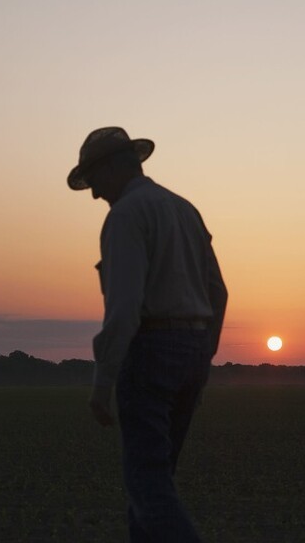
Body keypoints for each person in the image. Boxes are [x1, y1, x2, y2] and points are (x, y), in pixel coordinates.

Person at [68, 126, 228, 542]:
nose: (94, 193)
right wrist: (202, 356)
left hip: (150, 353)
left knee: (148, 487)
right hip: (192, 351)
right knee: (152, 486)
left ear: (115, 168)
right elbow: (218, 291)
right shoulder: (184, 209)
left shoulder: (124, 216)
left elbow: (123, 309)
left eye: (95, 179)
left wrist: (102, 384)